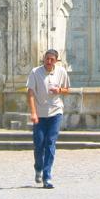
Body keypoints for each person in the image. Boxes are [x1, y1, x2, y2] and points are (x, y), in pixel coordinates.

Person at [26, 49, 69, 189]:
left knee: (50, 143)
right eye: (47, 59)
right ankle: (38, 167)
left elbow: (67, 89)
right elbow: (30, 93)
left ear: (56, 60)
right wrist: (33, 113)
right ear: (43, 59)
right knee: (39, 144)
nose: (49, 61)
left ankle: (47, 176)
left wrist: (60, 91)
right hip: (40, 114)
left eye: (52, 59)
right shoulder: (35, 72)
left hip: (56, 112)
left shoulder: (61, 72)